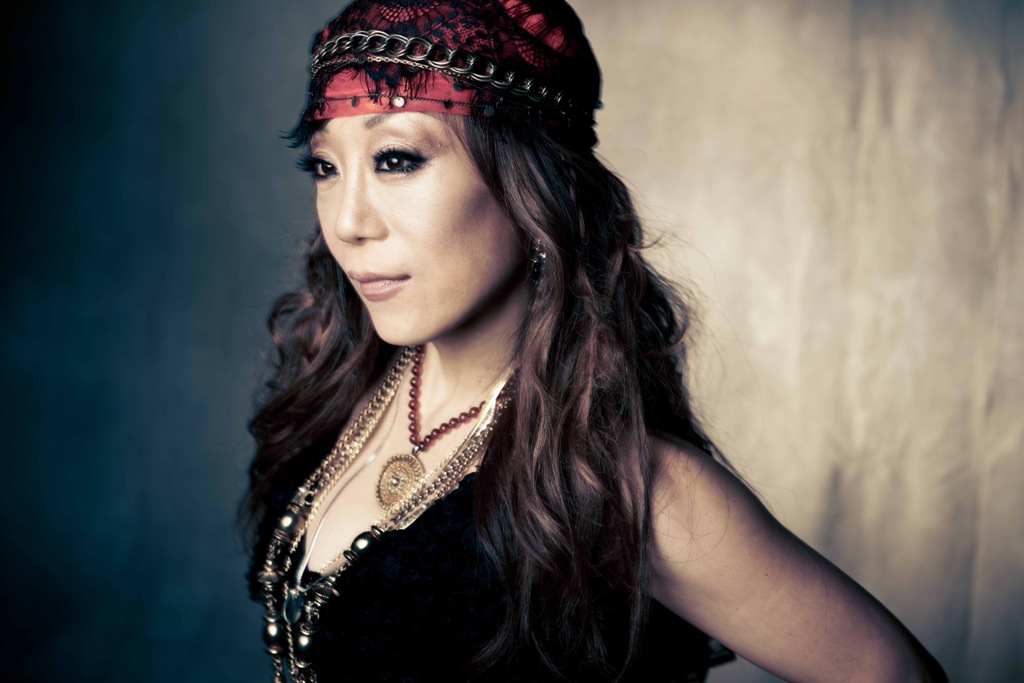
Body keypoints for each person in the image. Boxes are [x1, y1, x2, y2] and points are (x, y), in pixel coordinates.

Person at [243, 1, 948, 681]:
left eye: (396, 159)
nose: (349, 222)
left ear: (531, 183)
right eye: (325, 167)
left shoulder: (622, 483)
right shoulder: (342, 399)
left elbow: (889, 671)